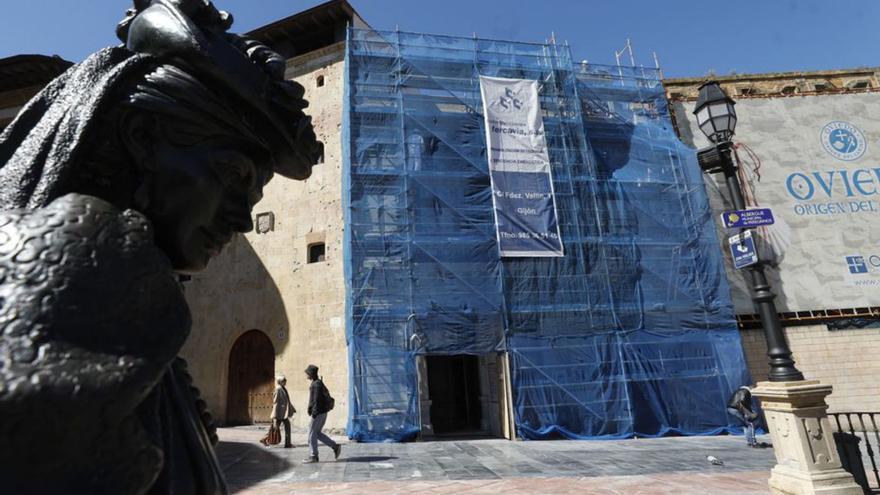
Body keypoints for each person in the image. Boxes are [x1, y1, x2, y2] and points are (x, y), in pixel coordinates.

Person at [0, 1, 320, 493]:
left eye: (252, 196)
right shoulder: (85, 253)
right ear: (142, 136)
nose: (242, 220)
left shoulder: (123, 292)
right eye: (230, 176)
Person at [304, 364, 341, 463]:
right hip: (322, 412)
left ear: (311, 374)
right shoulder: (318, 383)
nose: (306, 375)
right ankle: (335, 446)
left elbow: (316, 400)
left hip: (318, 413)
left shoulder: (316, 384)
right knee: (317, 433)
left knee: (311, 433)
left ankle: (313, 456)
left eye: (307, 373)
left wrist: (314, 413)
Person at [271, 375, 296, 448]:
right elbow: (275, 402)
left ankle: (287, 443)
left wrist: (291, 408)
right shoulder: (278, 389)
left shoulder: (283, 388)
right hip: (279, 413)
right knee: (274, 428)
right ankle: (266, 439)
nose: (286, 381)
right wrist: (275, 416)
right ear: (280, 381)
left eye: (285, 380)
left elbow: (286, 400)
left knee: (287, 426)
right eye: (284, 380)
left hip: (283, 413)